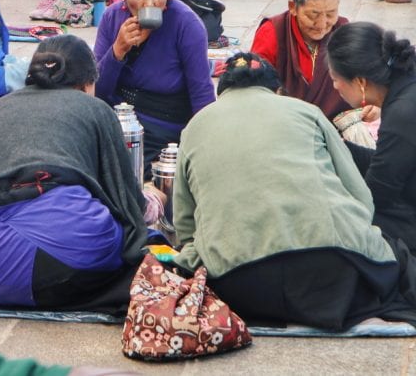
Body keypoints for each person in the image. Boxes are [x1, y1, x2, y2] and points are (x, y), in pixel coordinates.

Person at [175, 53, 416, 331]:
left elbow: (184, 225)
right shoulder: (305, 111)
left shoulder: (195, 126)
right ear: (276, 91)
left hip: (240, 288)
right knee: (396, 254)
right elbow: (360, 197)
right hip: (332, 275)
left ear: (223, 93)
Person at [0, 35, 147, 310]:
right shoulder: (95, 108)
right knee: (115, 233)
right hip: (61, 264)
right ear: (87, 83)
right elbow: (126, 200)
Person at [93, 0, 215, 173]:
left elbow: (202, 92)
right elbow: (95, 92)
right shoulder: (112, 17)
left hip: (163, 129)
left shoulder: (186, 24)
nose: (149, 2)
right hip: (117, 121)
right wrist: (117, 50)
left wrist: (206, 147)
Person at [328, 23, 416, 251]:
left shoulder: (401, 115)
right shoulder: (405, 83)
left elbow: (376, 197)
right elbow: (388, 163)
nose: (334, 86)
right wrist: (340, 148)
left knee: (343, 222)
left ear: (360, 82)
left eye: (335, 79)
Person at [250, 0, 353, 120]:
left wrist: (371, 105)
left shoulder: (343, 31)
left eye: (331, 14)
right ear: (293, 7)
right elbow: (253, 87)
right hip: (284, 124)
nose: (322, 24)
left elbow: (367, 81)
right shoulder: (273, 32)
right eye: (313, 14)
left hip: (334, 127)